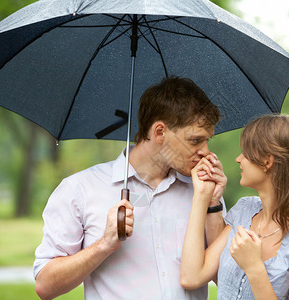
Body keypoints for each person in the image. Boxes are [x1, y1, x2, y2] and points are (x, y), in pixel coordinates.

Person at [33, 76, 227, 300]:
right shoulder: (80, 189)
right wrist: (104, 244)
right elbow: (45, 286)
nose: (205, 151)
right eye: (195, 141)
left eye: (207, 141)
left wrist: (213, 206)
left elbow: (226, 280)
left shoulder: (203, 191)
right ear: (160, 132)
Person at [180, 114, 289, 300]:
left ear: (267, 161)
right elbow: (191, 276)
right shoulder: (245, 211)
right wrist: (203, 196)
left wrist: (254, 267)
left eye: (245, 152)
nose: (238, 159)